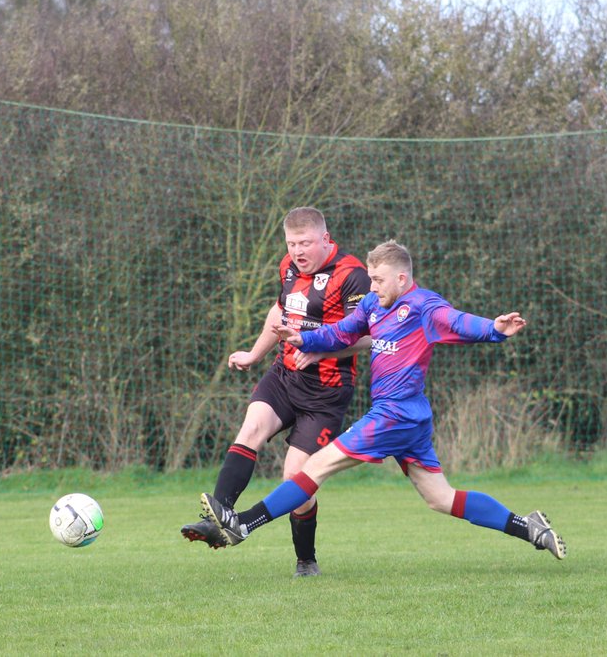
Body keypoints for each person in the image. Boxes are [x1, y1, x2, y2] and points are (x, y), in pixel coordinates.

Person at [198, 240, 566, 563]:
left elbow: (457, 321)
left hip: (395, 416)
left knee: (315, 467)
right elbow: (341, 332)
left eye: (378, 279)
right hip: (409, 419)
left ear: (402, 279)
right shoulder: (374, 304)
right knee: (441, 498)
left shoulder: (423, 306)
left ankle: (244, 524)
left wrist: (495, 329)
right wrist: (302, 339)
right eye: (371, 279)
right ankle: (528, 526)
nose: (371, 286)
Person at [181, 207, 372, 577]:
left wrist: (320, 349)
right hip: (285, 376)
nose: (298, 251)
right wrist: (254, 353)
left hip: (326, 393)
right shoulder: (288, 266)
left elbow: (367, 335)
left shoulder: (352, 276)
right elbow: (279, 313)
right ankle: (219, 516)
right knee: (251, 429)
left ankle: (306, 560)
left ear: (325, 239)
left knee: (295, 480)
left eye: (306, 243)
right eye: (292, 243)